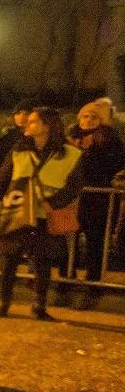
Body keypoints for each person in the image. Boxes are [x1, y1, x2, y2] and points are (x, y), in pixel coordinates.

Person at [0, 108, 83, 321]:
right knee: (8, 260)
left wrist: (53, 203)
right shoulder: (18, 151)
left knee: (43, 262)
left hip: (43, 216)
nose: (27, 124)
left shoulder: (71, 154)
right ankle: (4, 302)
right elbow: (2, 181)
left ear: (48, 125)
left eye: (34, 121)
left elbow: (74, 186)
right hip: (16, 213)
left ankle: (39, 305)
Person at [67, 100, 125, 307]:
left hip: (97, 199)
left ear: (102, 121)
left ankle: (93, 285)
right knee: (67, 240)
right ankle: (66, 281)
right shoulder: (69, 139)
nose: (88, 120)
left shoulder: (110, 141)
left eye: (94, 116)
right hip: (72, 198)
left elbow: (115, 165)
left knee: (94, 243)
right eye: (85, 116)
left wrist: (93, 153)